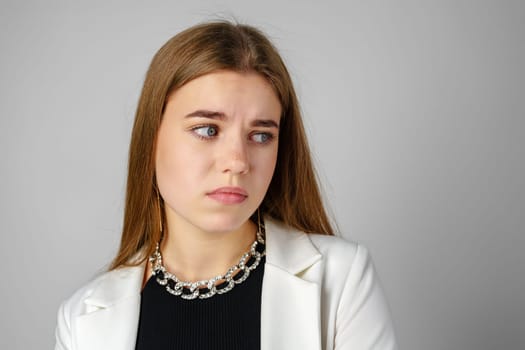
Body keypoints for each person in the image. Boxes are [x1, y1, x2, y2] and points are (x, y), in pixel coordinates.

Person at [55, 20, 398, 350]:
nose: (238, 161)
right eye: (207, 130)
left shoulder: (342, 281)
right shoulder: (83, 318)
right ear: (151, 138)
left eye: (261, 135)